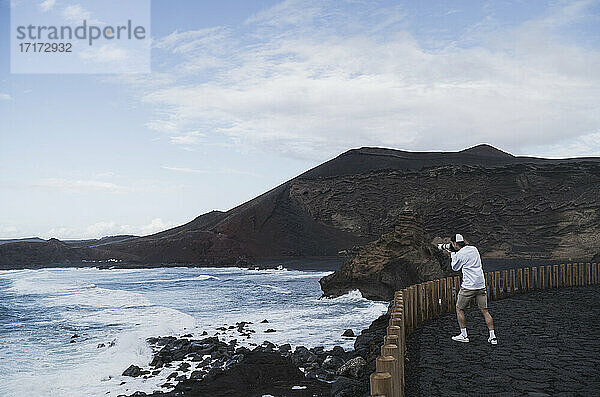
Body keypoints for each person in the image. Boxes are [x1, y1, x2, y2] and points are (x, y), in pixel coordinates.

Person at [440, 234, 497, 345]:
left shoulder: (459, 254)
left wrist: (452, 255)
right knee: (485, 311)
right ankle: (492, 336)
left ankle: (464, 335)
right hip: (481, 284)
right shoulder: (474, 249)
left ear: (455, 244)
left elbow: (455, 268)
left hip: (469, 286)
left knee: (459, 308)